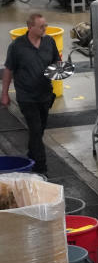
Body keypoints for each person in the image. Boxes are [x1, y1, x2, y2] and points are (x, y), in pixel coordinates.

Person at [1, 13, 59, 174]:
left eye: (45, 25)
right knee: (35, 129)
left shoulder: (49, 41)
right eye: (41, 26)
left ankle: (30, 157)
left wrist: (61, 70)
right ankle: (41, 169)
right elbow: (8, 70)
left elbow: (56, 62)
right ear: (30, 27)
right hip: (27, 97)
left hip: (45, 95)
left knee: (39, 131)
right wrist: (4, 94)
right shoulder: (17, 46)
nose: (45, 29)